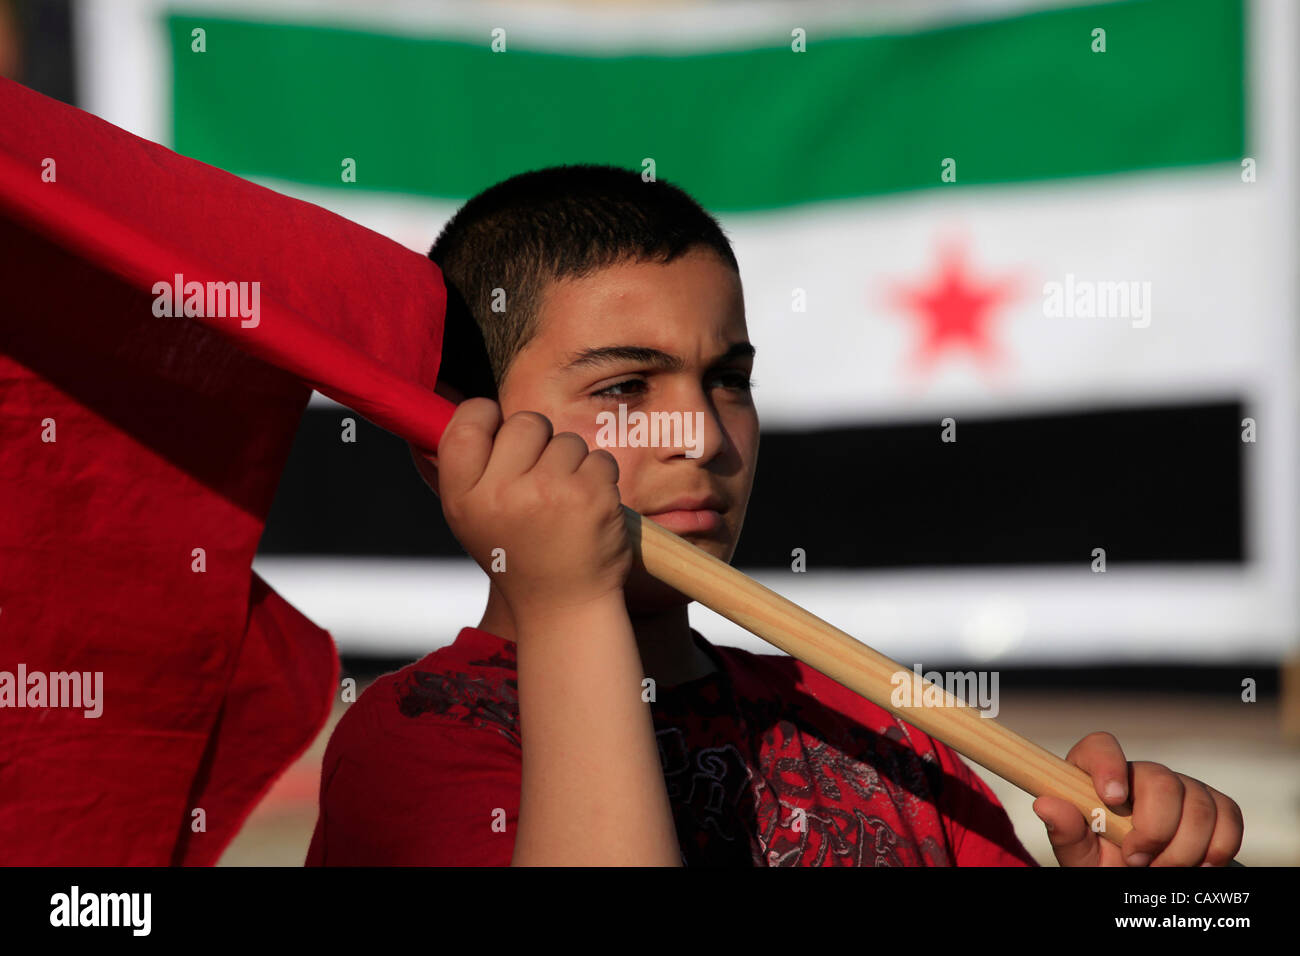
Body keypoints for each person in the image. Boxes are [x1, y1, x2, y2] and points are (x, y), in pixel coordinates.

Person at [305, 164, 1243, 866]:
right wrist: (565, 603)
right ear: (451, 449)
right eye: (627, 386)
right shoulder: (413, 742)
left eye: (729, 381)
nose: (705, 437)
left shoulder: (883, 730)